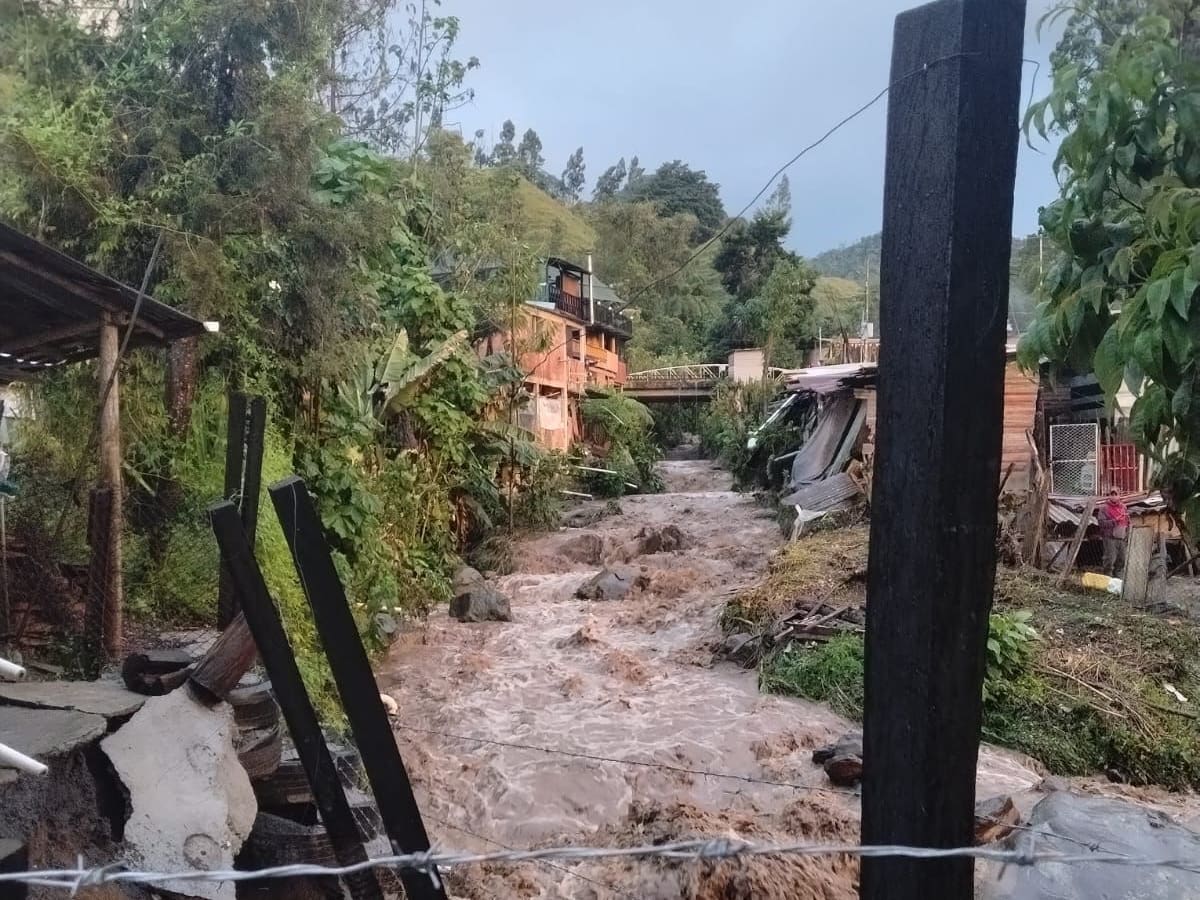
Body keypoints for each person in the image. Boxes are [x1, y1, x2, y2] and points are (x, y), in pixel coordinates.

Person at [1097, 489, 1129, 576]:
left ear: (1119, 496)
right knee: (1110, 560)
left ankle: (1118, 579)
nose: (1114, 496)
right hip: (1110, 538)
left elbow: (1127, 521)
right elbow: (1101, 523)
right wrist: (1115, 521)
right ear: (1109, 496)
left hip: (1122, 537)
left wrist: (1127, 534)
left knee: (1122, 559)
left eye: (1116, 494)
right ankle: (1107, 579)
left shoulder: (1123, 507)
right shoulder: (1104, 508)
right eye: (1112, 494)